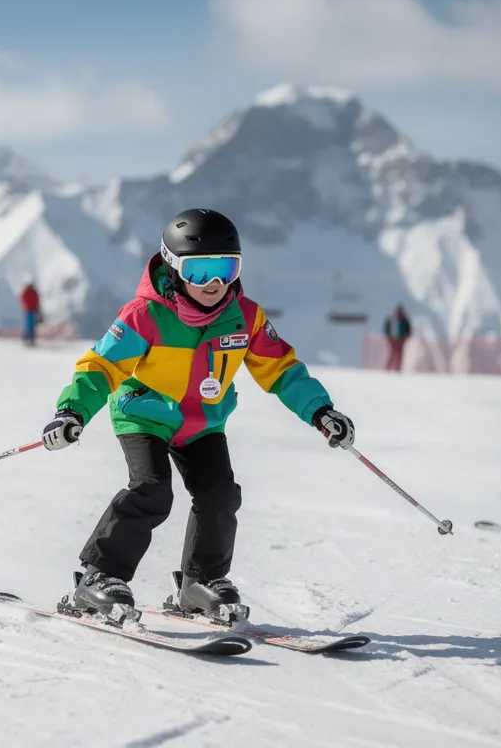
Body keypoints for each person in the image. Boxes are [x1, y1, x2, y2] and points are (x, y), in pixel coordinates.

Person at [40, 208, 357, 626]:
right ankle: (100, 577)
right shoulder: (144, 315)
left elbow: (280, 369)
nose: (214, 283)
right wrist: (71, 411)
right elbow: (100, 368)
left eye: (225, 269)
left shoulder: (245, 316)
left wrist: (319, 409)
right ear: (173, 268)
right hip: (144, 415)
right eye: (200, 270)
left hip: (203, 422)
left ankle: (200, 581)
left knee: (220, 495)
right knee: (152, 491)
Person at [382, 305, 411, 371]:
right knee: (397, 354)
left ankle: (391, 368)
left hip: (396, 339)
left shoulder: (395, 318)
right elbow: (408, 329)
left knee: (395, 354)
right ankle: (393, 368)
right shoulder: (401, 319)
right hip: (398, 339)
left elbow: (386, 328)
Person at [19, 279, 41, 347]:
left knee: (32, 325)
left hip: (32, 310)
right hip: (28, 310)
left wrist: (37, 308)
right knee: (28, 325)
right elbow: (23, 300)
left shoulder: (33, 292)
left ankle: (31, 339)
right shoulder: (26, 292)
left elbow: (37, 300)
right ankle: (26, 339)